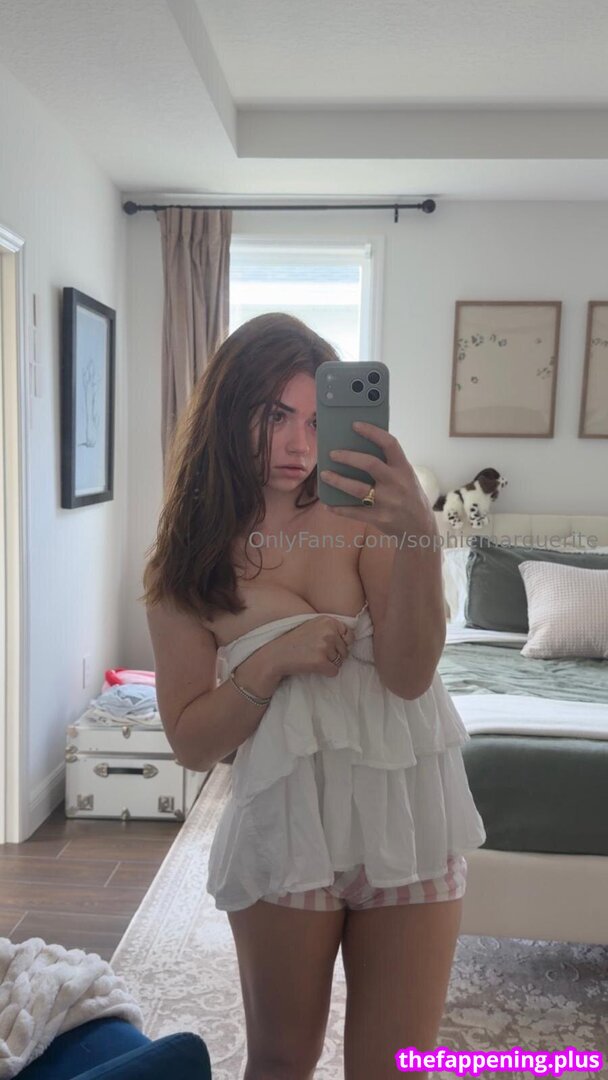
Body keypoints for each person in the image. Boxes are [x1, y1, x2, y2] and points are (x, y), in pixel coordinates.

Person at [142, 312, 487, 1080]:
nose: (299, 443)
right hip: (287, 821)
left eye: (313, 419)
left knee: (393, 1067)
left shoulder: (362, 514)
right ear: (229, 413)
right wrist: (271, 663)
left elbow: (408, 674)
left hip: (406, 810)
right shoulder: (187, 563)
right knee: (280, 1060)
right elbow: (193, 742)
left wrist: (418, 533)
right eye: (275, 416)